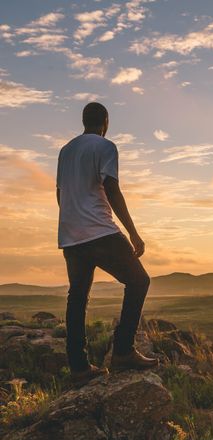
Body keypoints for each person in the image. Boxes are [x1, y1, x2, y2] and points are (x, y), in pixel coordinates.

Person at [56, 102, 159, 384]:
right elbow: (111, 188)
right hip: (99, 231)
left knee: (77, 296)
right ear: (105, 121)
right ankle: (124, 352)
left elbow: (60, 193)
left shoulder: (66, 151)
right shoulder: (105, 146)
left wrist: (70, 223)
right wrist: (133, 232)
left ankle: (78, 368)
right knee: (139, 281)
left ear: (83, 121)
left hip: (70, 235)